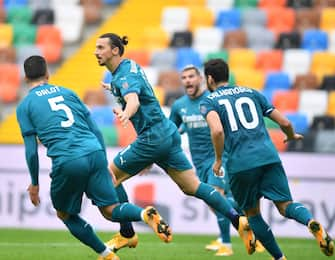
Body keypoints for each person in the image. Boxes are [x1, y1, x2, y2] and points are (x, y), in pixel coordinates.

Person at [94, 32, 256, 256]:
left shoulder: (123, 77)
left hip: (151, 137)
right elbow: (135, 90)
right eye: (95, 47)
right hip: (168, 134)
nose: (96, 52)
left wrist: (125, 113)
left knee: (108, 176)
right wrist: (113, 90)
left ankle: (127, 233)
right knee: (193, 187)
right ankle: (238, 220)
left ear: (115, 50)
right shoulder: (129, 67)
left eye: (101, 47)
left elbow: (134, 99)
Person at [16, 55, 173, 260]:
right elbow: (95, 129)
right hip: (94, 151)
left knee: (65, 214)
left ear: (25, 77)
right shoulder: (68, 93)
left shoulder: (25, 106)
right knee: (111, 209)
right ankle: (143, 214)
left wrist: (35, 183)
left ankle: (106, 254)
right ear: (47, 73)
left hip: (68, 159)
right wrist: (104, 160)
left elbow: (31, 151)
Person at [199, 58, 334, 260]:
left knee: (252, 214)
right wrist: (290, 135)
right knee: (286, 205)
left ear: (209, 79)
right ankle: (309, 222)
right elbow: (285, 121)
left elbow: (217, 130)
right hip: (269, 157)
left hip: (240, 163)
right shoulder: (252, 93)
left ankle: (279, 257)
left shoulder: (209, 101)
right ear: (228, 75)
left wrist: (218, 160)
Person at [169, 65, 240, 256]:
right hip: (198, 162)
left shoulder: (212, 100)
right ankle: (246, 212)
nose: (188, 80)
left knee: (217, 196)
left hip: (218, 158)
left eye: (191, 76)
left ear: (201, 78)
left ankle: (227, 243)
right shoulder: (179, 106)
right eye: (184, 77)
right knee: (213, 201)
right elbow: (170, 131)